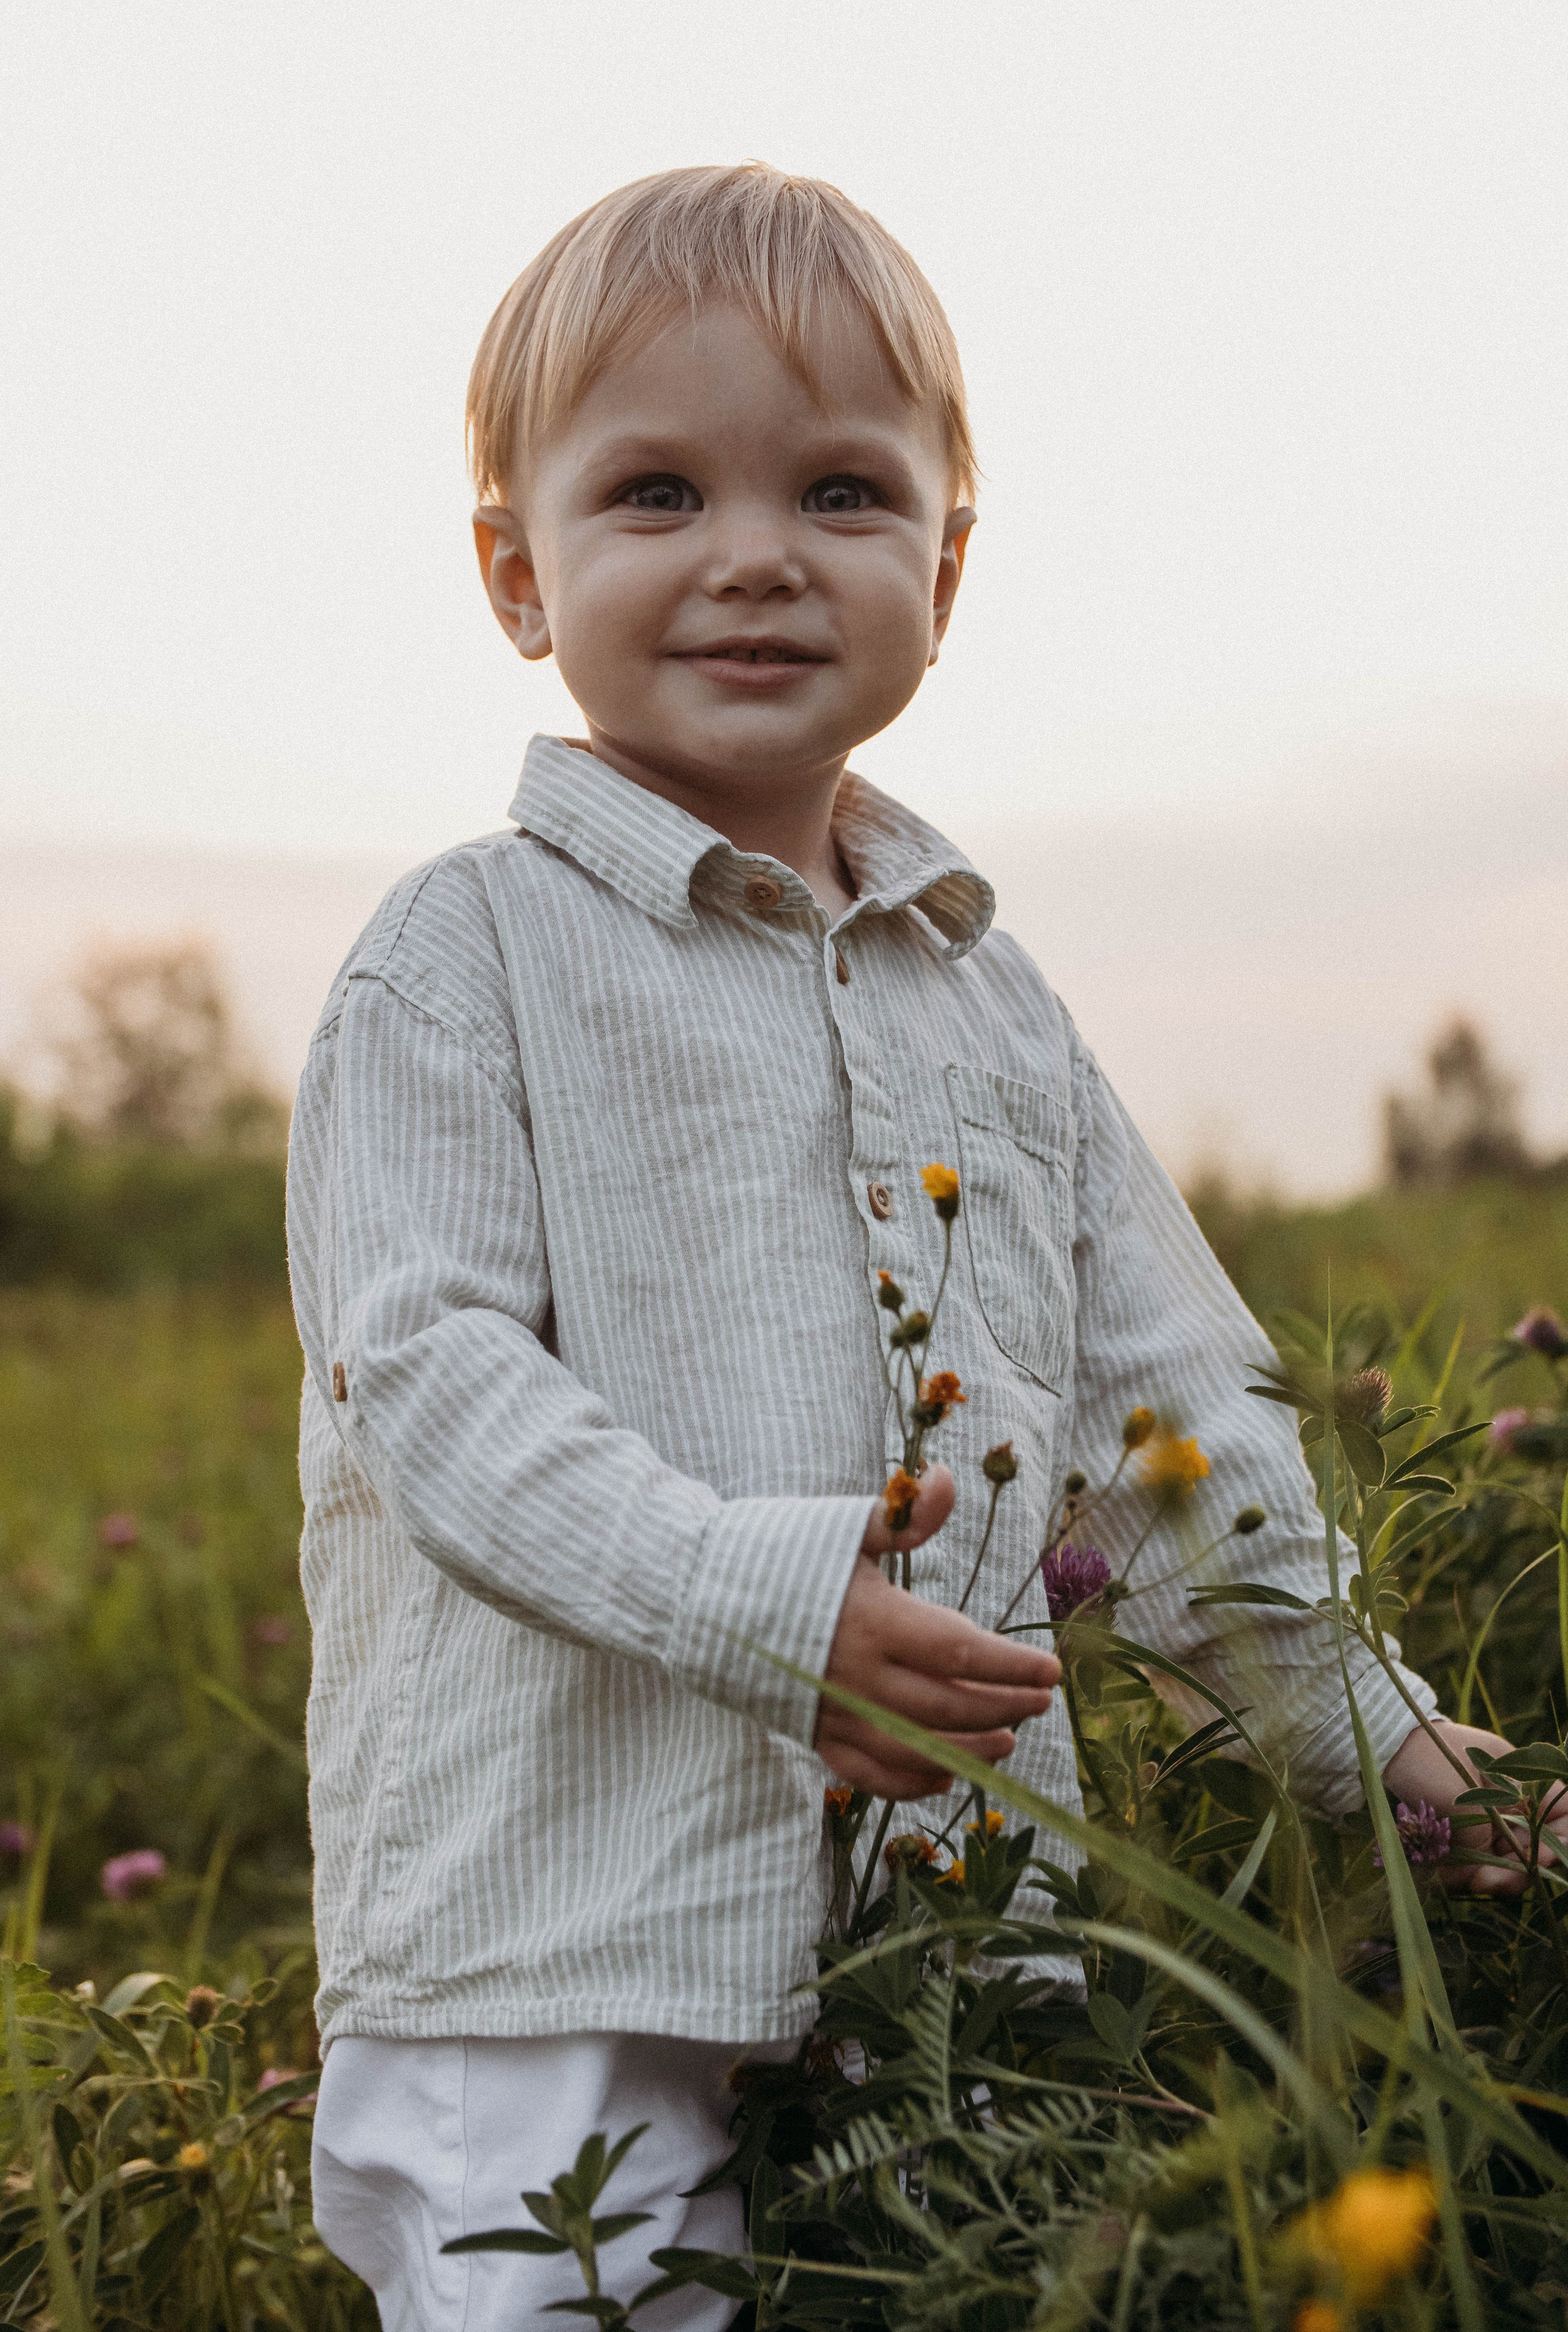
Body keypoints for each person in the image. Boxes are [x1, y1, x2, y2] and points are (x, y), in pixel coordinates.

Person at [289, 164, 1537, 2329]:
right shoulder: (459, 955)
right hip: (563, 1930)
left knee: (976, 2291)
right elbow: (431, 1385)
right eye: (658, 491)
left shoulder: (994, 997)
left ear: (944, 570)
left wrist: (1394, 1751)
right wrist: (770, 1610)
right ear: (520, 570)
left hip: (960, 1939)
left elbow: (1171, 1414)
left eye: (845, 492)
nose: (757, 556)